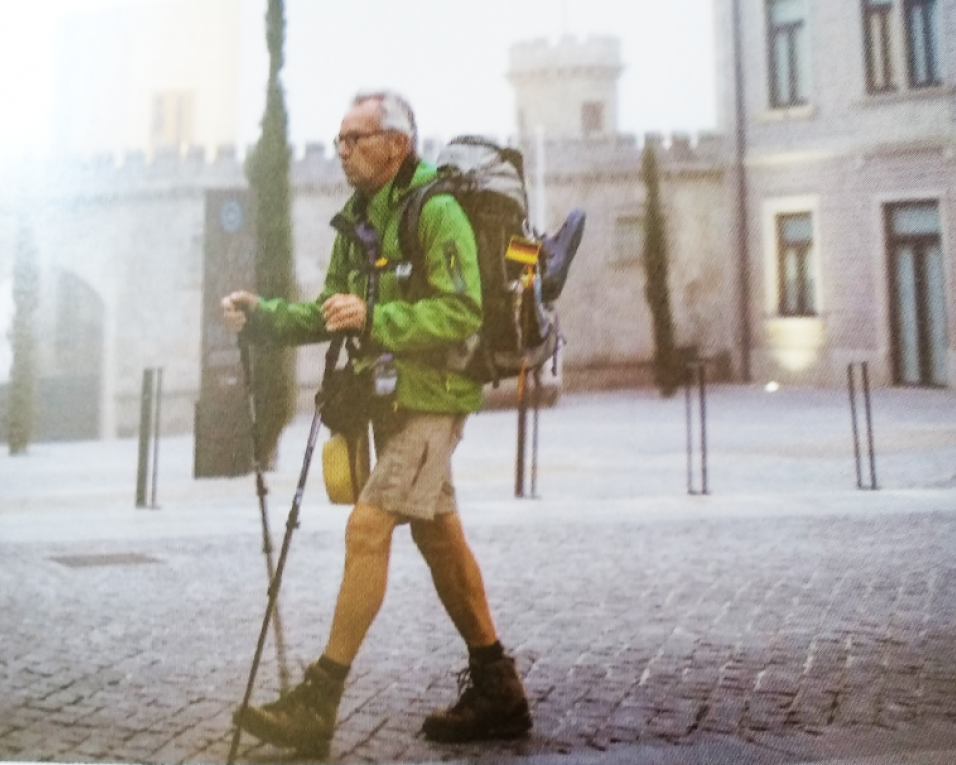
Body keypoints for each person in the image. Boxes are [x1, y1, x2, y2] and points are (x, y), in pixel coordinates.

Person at [221, 91, 531, 758]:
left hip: (436, 396)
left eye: (355, 138)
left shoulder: (437, 210)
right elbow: (333, 310)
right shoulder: (359, 221)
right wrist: (267, 316)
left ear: (395, 143)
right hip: (389, 399)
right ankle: (497, 686)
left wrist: (378, 320)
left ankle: (319, 699)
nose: (342, 150)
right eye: (337, 139)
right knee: (439, 537)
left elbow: (462, 312)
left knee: (368, 527)